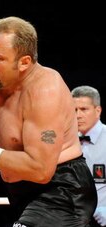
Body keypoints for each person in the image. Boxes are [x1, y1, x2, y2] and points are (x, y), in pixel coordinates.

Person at [0, 16, 98, 226]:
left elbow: (41, 170)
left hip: (61, 188)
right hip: (21, 191)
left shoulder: (45, 89)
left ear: (24, 61)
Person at [72, 85, 106, 227]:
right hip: (74, 219)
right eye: (74, 110)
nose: (78, 115)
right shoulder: (67, 141)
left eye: (84, 109)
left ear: (97, 111)